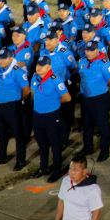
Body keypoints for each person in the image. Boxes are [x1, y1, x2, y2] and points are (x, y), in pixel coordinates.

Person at [33, 54, 72, 182]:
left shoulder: (56, 80)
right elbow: (34, 93)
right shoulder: (35, 77)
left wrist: (53, 102)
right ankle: (43, 167)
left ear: (49, 67)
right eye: (38, 65)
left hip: (52, 116)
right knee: (42, 144)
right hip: (38, 115)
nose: (39, 68)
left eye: (42, 66)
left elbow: (67, 97)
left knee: (55, 145)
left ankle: (56, 170)